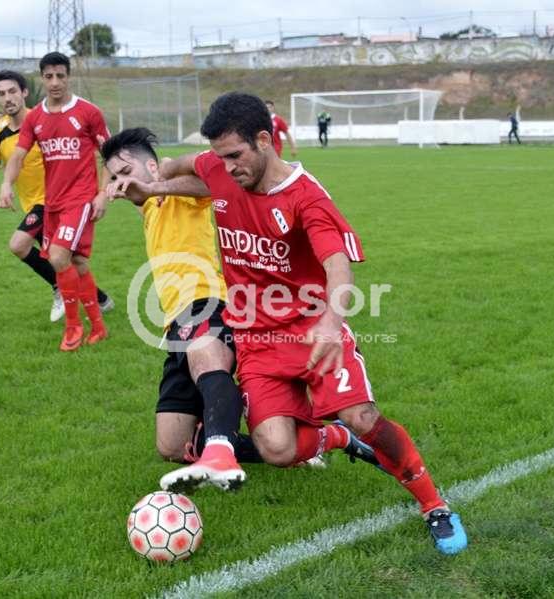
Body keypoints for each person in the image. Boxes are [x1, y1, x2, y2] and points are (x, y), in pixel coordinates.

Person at [109, 92, 468, 555]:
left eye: (235, 155)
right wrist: (155, 185)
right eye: (220, 156)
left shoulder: (306, 197)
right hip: (257, 339)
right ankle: (334, 438)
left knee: (361, 416)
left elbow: (338, 266)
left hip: (313, 328)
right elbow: (186, 165)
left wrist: (331, 321)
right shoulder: (220, 167)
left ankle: (434, 505)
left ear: (265, 140)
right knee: (276, 449)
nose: (227, 167)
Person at [101, 127, 377, 492]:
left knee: (209, 363)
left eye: (126, 171)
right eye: (113, 177)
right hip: (174, 322)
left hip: (207, 301)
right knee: (173, 446)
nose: (120, 182)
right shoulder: (150, 207)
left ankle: (220, 453)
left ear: (151, 166)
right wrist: (116, 194)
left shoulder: (173, 194)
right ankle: (326, 438)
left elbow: (212, 186)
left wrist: (159, 182)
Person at [0, 70, 113, 323]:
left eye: (12, 91)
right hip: (33, 205)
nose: (8, 98)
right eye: (1, 94)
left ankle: (61, 291)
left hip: (54, 201)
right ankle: (101, 300)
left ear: (24, 93)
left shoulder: (44, 119)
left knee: (19, 245)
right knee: (68, 260)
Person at [0, 52, 112, 351]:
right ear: (42, 79)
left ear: (68, 77)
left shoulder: (89, 112)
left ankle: (73, 327)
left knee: (58, 257)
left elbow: (109, 155)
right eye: (49, 76)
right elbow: (18, 156)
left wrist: (103, 193)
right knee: (78, 262)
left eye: (60, 76)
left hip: (81, 199)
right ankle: (99, 327)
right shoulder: (35, 117)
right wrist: (6, 184)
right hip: (53, 203)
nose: (55, 82)